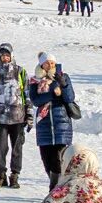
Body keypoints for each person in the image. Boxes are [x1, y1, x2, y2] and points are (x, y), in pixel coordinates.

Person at [0, 43, 31, 187]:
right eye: (2, 55)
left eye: (7, 55)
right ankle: (1, 175)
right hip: (0, 117)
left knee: (17, 148)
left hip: (18, 117)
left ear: (11, 55)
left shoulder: (20, 72)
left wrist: (29, 116)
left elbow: (27, 95)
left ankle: (15, 175)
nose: (4, 57)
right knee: (0, 147)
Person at [28, 52, 76, 185]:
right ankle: (58, 187)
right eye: (47, 62)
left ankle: (54, 189)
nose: (50, 65)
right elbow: (36, 100)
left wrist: (63, 85)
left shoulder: (63, 77)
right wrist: (53, 94)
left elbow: (69, 98)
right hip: (44, 125)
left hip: (61, 124)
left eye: (52, 62)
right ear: (41, 64)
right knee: (47, 161)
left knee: (58, 160)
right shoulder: (35, 81)